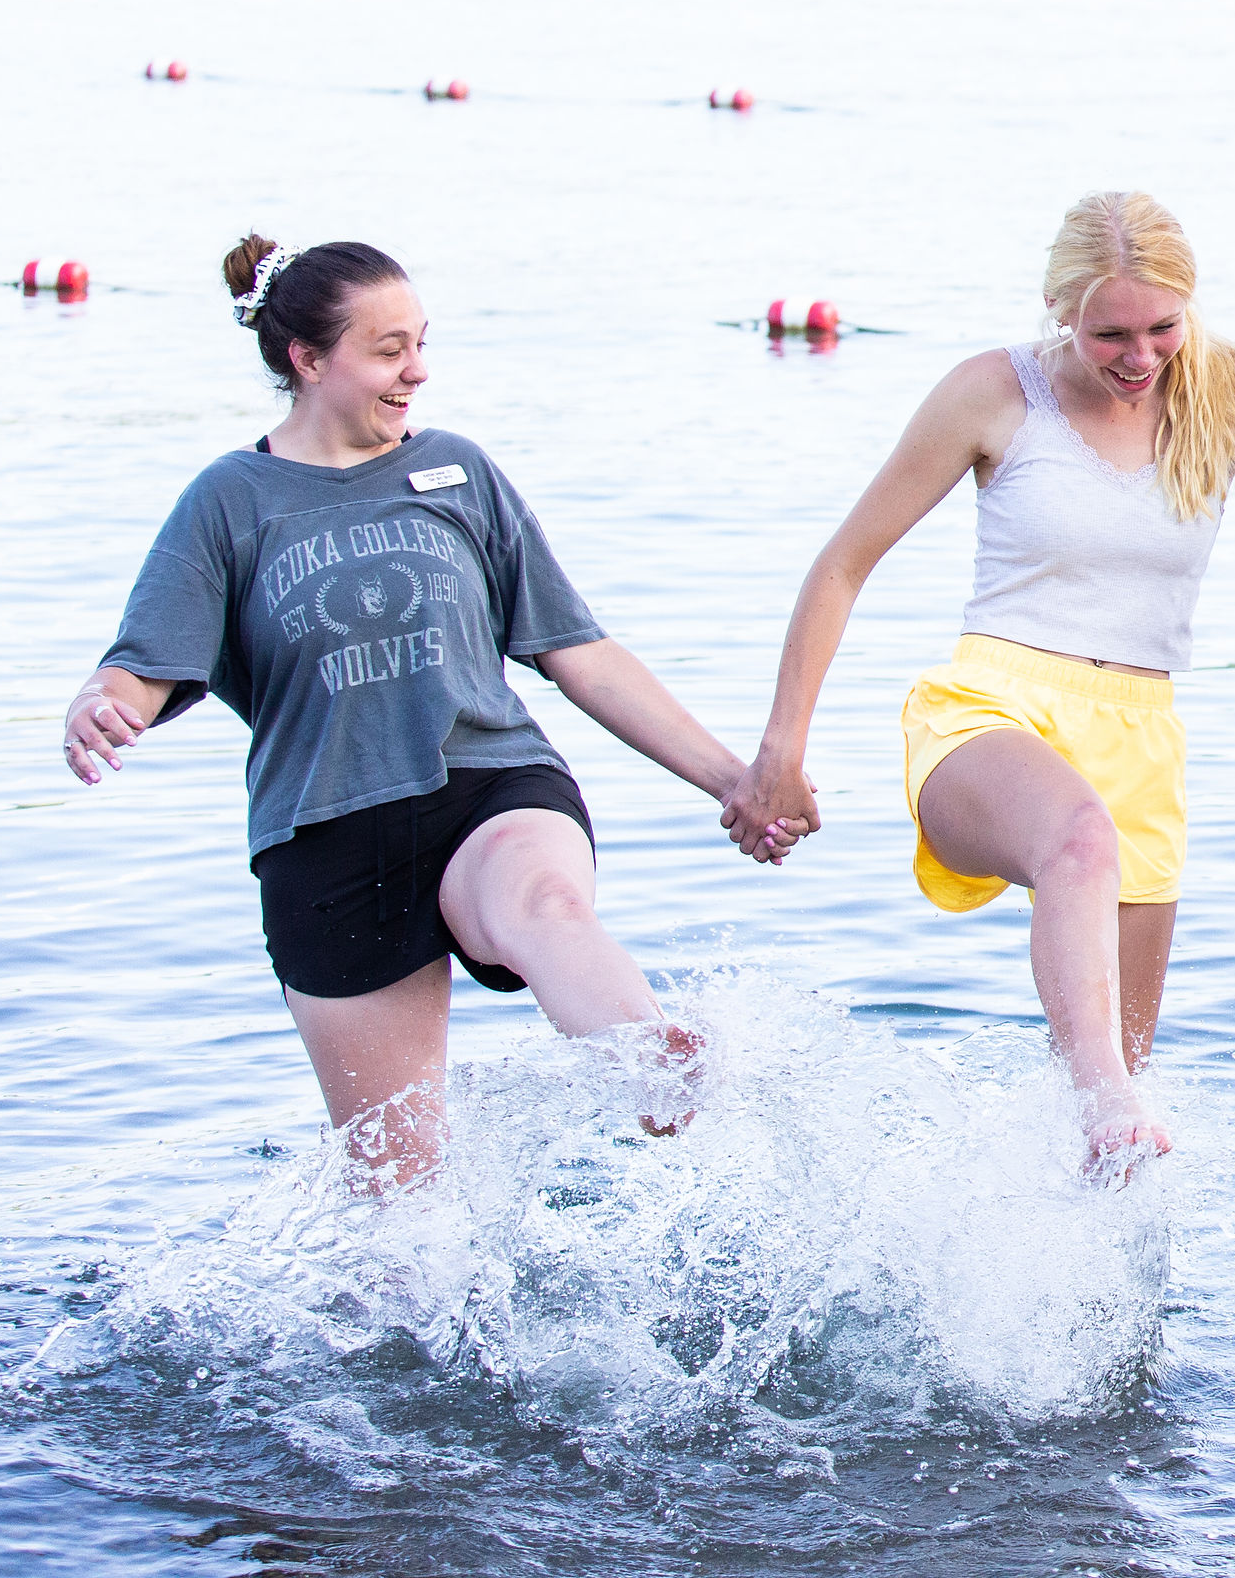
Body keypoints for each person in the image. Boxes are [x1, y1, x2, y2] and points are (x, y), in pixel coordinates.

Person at [61, 235, 782, 1191]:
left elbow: (581, 653)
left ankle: (651, 1065)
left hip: (484, 783)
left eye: (422, 342)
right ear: (308, 360)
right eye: (389, 348)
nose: (418, 370)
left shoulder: (458, 472)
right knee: (401, 1192)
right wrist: (104, 703)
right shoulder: (230, 502)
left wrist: (735, 781)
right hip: (324, 839)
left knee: (544, 904)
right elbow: (145, 665)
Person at [749, 190, 1235, 1179]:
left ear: (1190, 305)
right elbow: (842, 564)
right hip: (991, 710)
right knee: (1079, 850)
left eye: (1161, 327)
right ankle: (1100, 1100)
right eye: (1109, 334)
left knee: (1125, 1131)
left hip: (1143, 737)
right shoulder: (994, 392)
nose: (1138, 356)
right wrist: (780, 753)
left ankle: (1080, 1297)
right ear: (1060, 310)